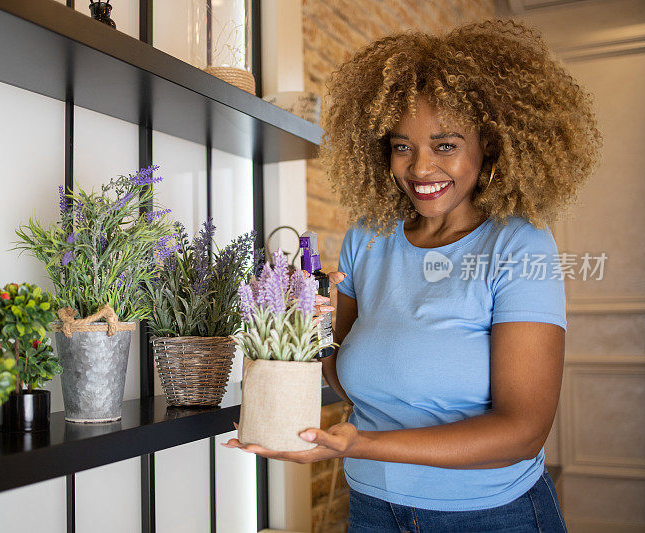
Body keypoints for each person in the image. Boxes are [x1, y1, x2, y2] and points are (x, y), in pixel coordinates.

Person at [223, 18, 602, 532]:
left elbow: (522, 431)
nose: (420, 168)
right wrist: (308, 336)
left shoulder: (519, 244)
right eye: (403, 146)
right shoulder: (368, 237)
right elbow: (347, 369)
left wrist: (366, 443)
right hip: (374, 507)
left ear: (487, 145)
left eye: (445, 145)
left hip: (487, 514)